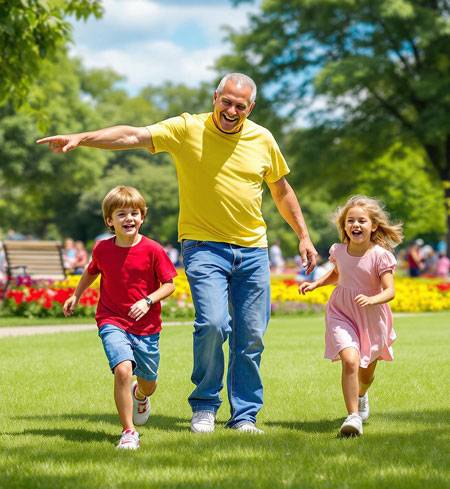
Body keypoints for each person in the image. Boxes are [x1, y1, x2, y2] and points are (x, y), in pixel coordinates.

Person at [37, 72, 317, 434]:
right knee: (213, 324)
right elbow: (133, 135)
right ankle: (204, 404)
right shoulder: (187, 129)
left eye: (240, 105)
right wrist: (82, 138)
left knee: (251, 336)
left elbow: (281, 190)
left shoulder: (263, 139)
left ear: (251, 107)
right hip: (203, 247)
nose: (231, 110)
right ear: (215, 97)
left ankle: (244, 415)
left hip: (253, 250)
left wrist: (304, 236)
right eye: (226, 101)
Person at [62, 186, 177, 449]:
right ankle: (128, 431)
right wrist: (76, 295)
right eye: (121, 213)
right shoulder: (102, 249)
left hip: (147, 327)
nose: (129, 218)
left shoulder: (153, 250)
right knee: (123, 369)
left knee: (148, 382)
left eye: (134, 213)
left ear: (143, 217)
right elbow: (92, 271)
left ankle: (141, 395)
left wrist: (148, 300)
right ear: (109, 221)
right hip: (111, 319)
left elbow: (169, 284)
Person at [299, 195, 403, 437]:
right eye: (350, 221)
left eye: (362, 221)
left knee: (366, 373)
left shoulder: (380, 255)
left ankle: (362, 394)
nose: (355, 225)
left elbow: (390, 291)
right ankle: (353, 417)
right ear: (344, 225)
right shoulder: (339, 250)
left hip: (372, 316)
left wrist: (372, 299)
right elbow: (338, 273)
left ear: (374, 225)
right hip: (341, 311)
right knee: (350, 360)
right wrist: (316, 285)